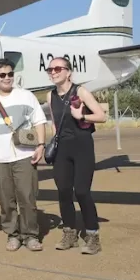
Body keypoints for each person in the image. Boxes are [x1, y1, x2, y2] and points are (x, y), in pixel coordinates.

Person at [0, 58, 47, 252]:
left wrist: (41, 145)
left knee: (28, 197)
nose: (7, 78)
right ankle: (12, 234)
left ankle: (30, 235)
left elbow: (39, 121)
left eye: (10, 74)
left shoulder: (26, 96)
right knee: (6, 200)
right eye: (2, 75)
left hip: (24, 155)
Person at [46, 56, 107, 255]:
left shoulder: (80, 91)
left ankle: (92, 235)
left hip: (82, 145)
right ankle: (69, 234)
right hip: (62, 148)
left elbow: (102, 116)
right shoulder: (50, 96)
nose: (53, 72)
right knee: (63, 191)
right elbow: (55, 122)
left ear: (68, 72)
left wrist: (82, 116)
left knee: (81, 191)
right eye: (50, 70)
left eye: (58, 69)